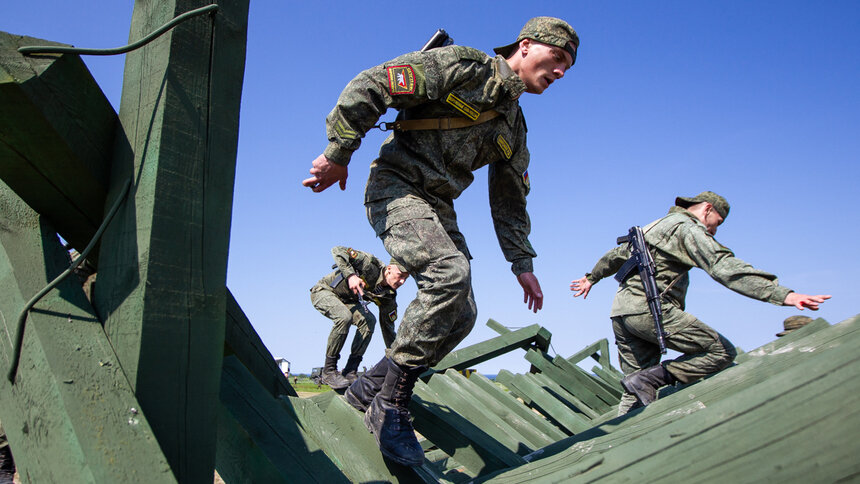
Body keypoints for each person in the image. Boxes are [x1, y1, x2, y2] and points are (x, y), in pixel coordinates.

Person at [302, 17, 579, 465]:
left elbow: (509, 201)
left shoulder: (515, 127)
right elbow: (372, 84)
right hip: (397, 186)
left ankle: (368, 389)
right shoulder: (466, 67)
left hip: (438, 206)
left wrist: (522, 263)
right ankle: (390, 403)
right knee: (450, 274)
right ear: (526, 46)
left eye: (569, 66)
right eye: (558, 58)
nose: (562, 71)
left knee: (463, 312)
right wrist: (339, 154)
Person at [571, 191, 831, 415]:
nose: (714, 231)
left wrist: (590, 278)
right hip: (653, 311)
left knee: (634, 389)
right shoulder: (686, 227)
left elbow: (614, 256)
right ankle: (652, 379)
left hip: (622, 314)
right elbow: (722, 265)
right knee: (721, 352)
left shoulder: (653, 226)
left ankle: (620, 444)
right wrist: (781, 294)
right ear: (707, 209)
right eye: (716, 223)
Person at [311, 246, 409, 390]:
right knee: (344, 317)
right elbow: (337, 250)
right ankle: (329, 370)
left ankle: (350, 370)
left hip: (348, 303)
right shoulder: (369, 264)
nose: (402, 282)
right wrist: (351, 275)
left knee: (369, 321)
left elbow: (389, 331)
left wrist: (399, 361)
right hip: (324, 291)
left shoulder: (388, 296)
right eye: (400, 275)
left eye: (406, 279)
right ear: (389, 269)